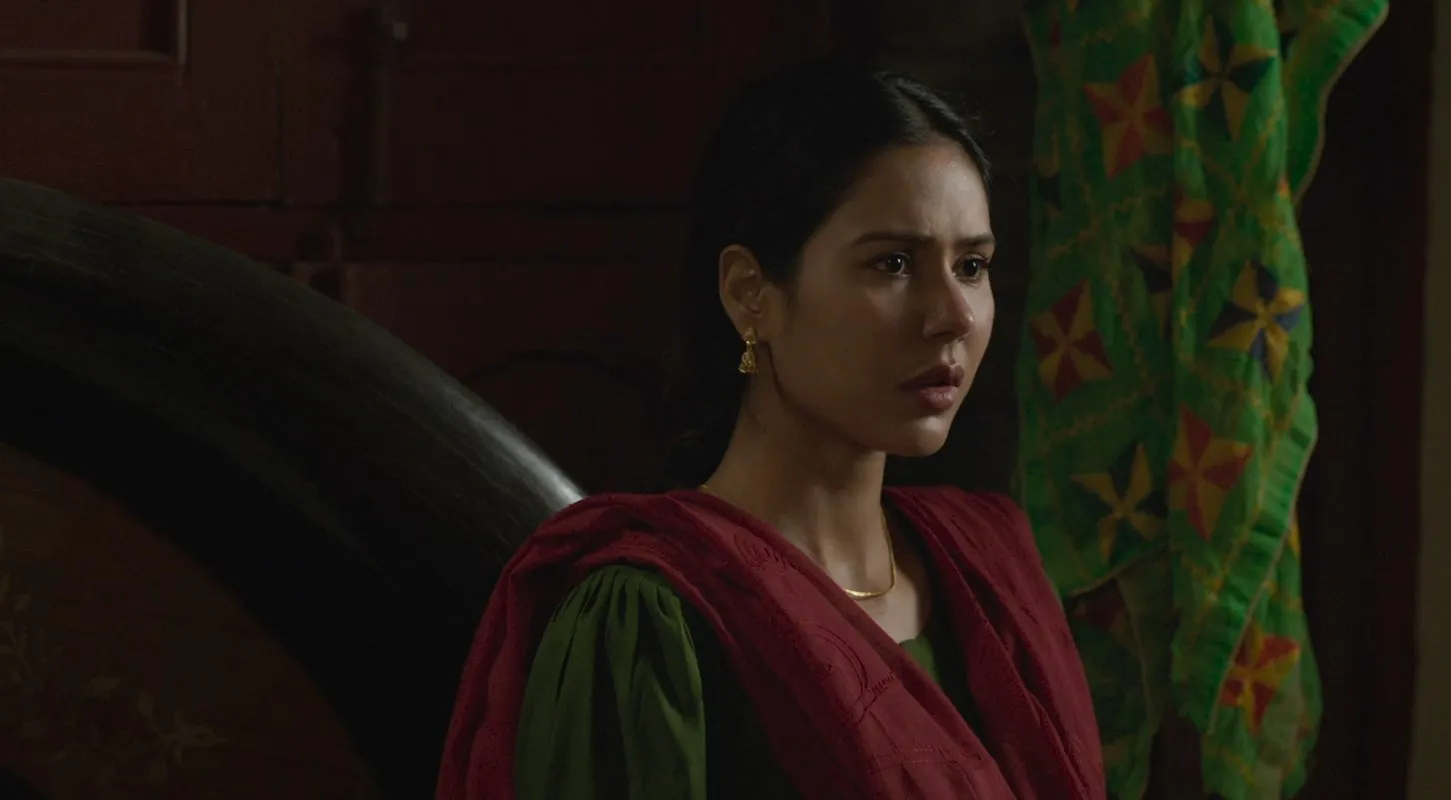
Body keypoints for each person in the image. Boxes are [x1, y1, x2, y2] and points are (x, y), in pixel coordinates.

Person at [435, 60, 1106, 800]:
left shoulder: (990, 567)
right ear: (750, 293)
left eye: (972, 265)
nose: (953, 315)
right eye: (892, 263)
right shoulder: (653, 617)